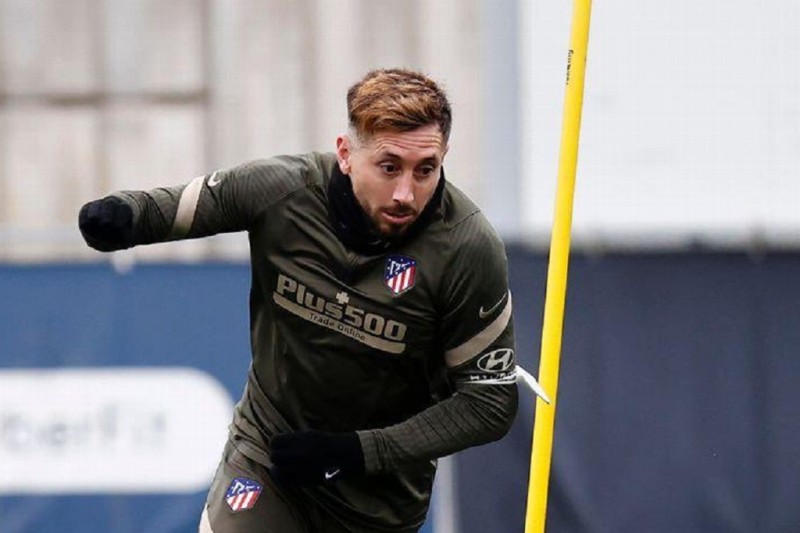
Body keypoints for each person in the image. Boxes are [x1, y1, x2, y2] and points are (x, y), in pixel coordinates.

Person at [79, 68, 519, 533]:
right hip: (268, 463)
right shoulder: (283, 189)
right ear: (346, 154)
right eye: (389, 167)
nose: (406, 193)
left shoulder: (468, 247)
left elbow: (489, 402)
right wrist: (122, 216)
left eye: (426, 169)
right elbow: (176, 208)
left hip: (378, 501)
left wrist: (357, 452)